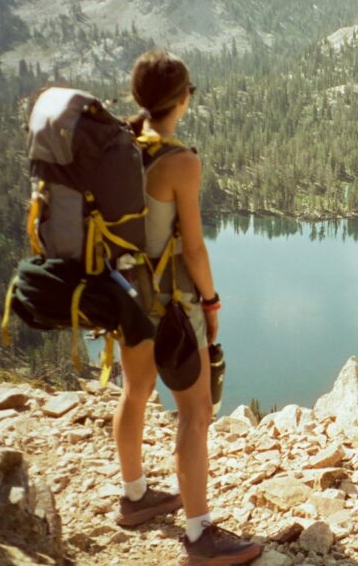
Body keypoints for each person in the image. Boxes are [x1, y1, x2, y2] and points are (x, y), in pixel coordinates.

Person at [113, 50, 262, 565]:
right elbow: (193, 247)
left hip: (126, 296)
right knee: (194, 412)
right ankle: (199, 535)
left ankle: (134, 497)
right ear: (181, 99)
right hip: (173, 305)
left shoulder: (119, 145)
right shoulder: (180, 161)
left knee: (135, 392)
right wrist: (213, 300)